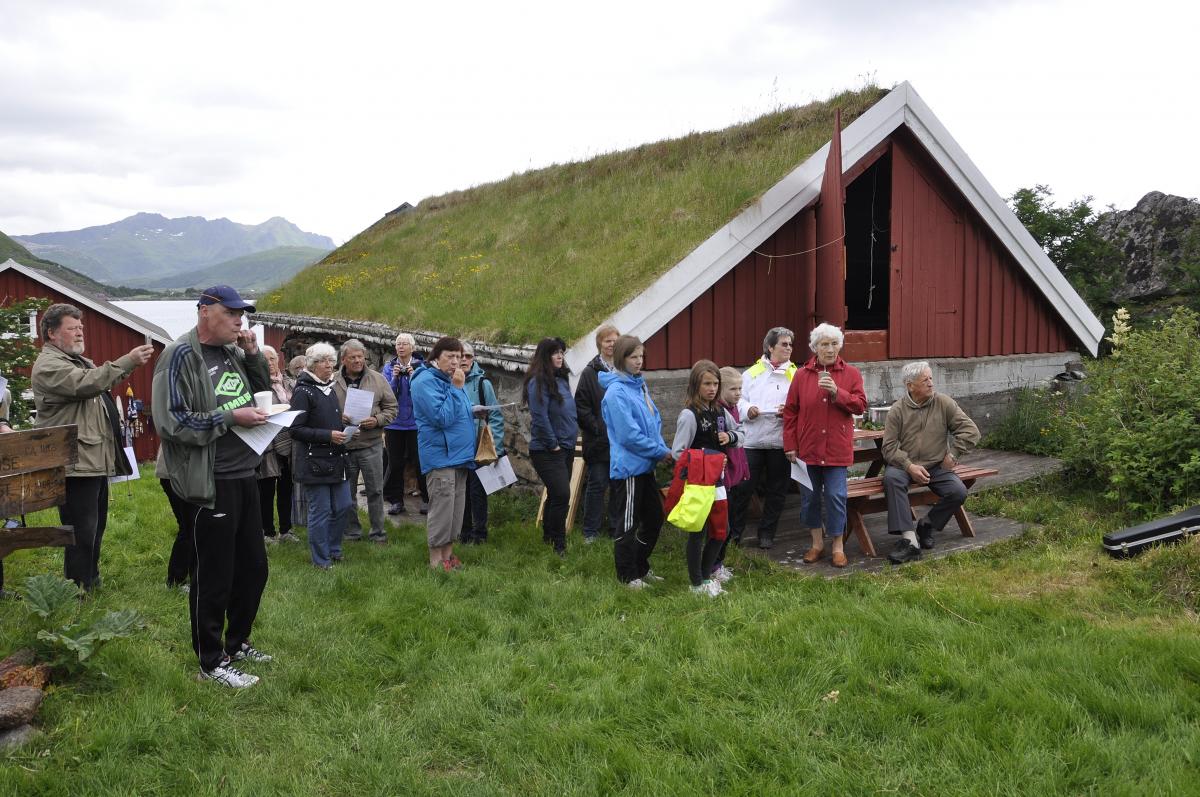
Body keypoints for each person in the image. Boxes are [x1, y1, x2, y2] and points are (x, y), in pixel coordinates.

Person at [152, 285, 272, 689]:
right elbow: (171, 422)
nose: (240, 321)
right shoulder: (179, 355)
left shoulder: (232, 352)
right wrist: (229, 418)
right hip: (209, 478)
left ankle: (237, 644)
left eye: (242, 315)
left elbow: (262, 393)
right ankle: (211, 661)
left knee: (253, 567)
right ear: (205, 311)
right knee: (214, 573)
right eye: (231, 313)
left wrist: (253, 356)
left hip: (244, 471)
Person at [32, 303, 154, 592]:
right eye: (72, 328)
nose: (79, 332)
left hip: (91, 459)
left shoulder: (77, 361)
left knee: (95, 527)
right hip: (72, 462)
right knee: (80, 531)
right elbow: (88, 384)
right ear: (51, 333)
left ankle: (91, 579)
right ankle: (76, 590)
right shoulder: (49, 365)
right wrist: (128, 360)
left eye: (81, 327)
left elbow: (100, 379)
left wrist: (127, 366)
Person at [782, 324, 867, 569]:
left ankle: (838, 547)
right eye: (824, 344)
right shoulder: (801, 375)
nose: (830, 349)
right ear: (815, 347)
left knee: (835, 496)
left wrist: (837, 393)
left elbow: (860, 406)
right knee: (809, 498)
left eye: (834, 344)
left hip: (836, 448)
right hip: (807, 449)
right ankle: (817, 544)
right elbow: (791, 412)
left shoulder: (851, 373)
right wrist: (790, 445)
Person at [882, 361, 981, 564]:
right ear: (910, 385)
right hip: (904, 466)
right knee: (891, 479)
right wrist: (909, 466)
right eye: (925, 380)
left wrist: (953, 454)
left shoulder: (943, 403)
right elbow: (888, 448)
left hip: (936, 465)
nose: (931, 383)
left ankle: (927, 524)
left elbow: (971, 431)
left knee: (958, 491)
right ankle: (910, 542)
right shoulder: (897, 410)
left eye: (931, 378)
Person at [601, 335, 670, 589]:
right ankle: (627, 576)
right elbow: (628, 435)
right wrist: (660, 452)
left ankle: (640, 566)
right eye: (633, 357)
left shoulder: (639, 385)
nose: (639, 361)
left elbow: (654, 422)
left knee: (654, 518)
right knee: (627, 524)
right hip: (629, 468)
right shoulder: (616, 392)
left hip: (646, 465)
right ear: (621, 358)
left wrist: (661, 449)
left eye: (641, 356)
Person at [669, 360, 743, 596]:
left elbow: (741, 432)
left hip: (718, 482)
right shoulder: (689, 415)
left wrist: (730, 437)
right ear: (696, 385)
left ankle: (706, 575)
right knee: (698, 532)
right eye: (707, 384)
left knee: (722, 530)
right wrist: (709, 459)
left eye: (715, 384)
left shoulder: (720, 411)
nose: (712, 389)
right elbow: (678, 452)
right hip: (697, 484)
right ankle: (696, 583)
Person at [410, 336, 475, 571]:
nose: (456, 362)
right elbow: (442, 418)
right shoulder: (424, 381)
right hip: (441, 457)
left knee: (455, 510)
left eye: (459, 356)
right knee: (442, 509)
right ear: (436, 357)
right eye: (450, 356)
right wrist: (457, 388)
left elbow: (456, 411)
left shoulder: (449, 379)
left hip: (459, 456)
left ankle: (448, 555)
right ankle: (436, 561)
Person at [732, 326, 797, 549]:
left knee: (777, 490)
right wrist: (747, 409)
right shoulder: (751, 373)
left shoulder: (795, 375)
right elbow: (738, 399)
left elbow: (801, 403)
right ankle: (734, 535)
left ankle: (767, 533)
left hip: (780, 440)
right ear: (770, 347)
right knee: (743, 488)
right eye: (784, 344)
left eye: (790, 344)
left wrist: (788, 410)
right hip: (753, 440)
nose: (789, 348)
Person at [290, 343, 353, 569]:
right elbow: (295, 430)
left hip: (336, 458)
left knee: (344, 505)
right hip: (314, 462)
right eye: (323, 361)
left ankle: (333, 549)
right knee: (321, 511)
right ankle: (321, 560)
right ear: (312, 365)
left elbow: (324, 419)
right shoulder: (303, 392)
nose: (329, 365)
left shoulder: (329, 388)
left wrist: (343, 425)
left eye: (331, 360)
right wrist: (328, 435)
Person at [334, 339, 398, 544]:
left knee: (376, 490)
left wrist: (377, 420)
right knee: (347, 493)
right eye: (352, 357)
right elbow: (323, 409)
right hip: (344, 445)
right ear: (343, 359)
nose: (357, 360)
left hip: (371, 444)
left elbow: (392, 408)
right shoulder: (333, 381)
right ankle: (352, 532)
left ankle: (378, 533)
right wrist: (337, 417)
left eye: (360, 356)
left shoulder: (378, 380)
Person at [525, 337, 577, 556]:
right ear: (545, 356)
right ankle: (559, 544)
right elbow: (539, 416)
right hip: (547, 450)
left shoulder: (561, 380)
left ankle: (548, 535)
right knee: (562, 495)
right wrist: (553, 444)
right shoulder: (538, 381)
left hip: (566, 446)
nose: (560, 356)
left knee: (557, 495)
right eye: (555, 352)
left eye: (562, 352)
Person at [574, 324, 620, 543]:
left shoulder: (623, 370)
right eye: (607, 341)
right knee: (597, 484)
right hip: (598, 441)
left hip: (620, 442)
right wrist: (598, 428)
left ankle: (615, 529)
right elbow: (581, 406)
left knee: (618, 486)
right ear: (600, 344)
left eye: (615, 341)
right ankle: (590, 531)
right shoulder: (590, 372)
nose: (611, 344)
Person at [460, 342, 505, 544]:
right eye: (461, 356)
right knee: (461, 491)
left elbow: (495, 416)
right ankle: (464, 531)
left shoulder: (482, 384)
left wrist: (496, 447)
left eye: (468, 356)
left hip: (479, 446)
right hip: (458, 446)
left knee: (478, 491)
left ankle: (480, 533)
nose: (464, 360)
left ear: (473, 359)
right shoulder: (449, 382)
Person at [709, 366, 749, 583]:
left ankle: (718, 563)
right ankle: (713, 566)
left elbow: (740, 439)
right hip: (722, 477)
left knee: (729, 523)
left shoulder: (734, 409)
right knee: (721, 526)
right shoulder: (718, 412)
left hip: (734, 476)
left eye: (740, 388)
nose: (738, 393)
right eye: (733, 389)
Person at [381, 333, 427, 515]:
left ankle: (426, 499)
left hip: (416, 423)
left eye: (404, 344)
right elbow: (386, 395)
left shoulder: (421, 368)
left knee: (420, 462)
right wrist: (394, 378)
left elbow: (424, 393)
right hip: (394, 423)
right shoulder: (388, 367)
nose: (400, 347)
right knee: (395, 463)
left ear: (412, 348)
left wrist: (414, 377)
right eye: (398, 344)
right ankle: (396, 500)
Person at [257, 345, 298, 544]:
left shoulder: (290, 382)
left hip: (289, 441)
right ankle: (267, 532)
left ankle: (286, 530)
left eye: (272, 359)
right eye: (264, 360)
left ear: (278, 360)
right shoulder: (257, 385)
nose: (270, 363)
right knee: (266, 488)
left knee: (286, 487)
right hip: (269, 443)